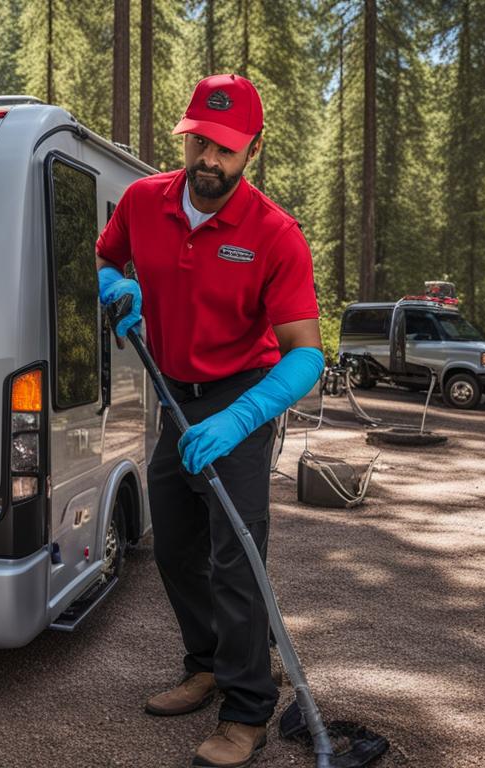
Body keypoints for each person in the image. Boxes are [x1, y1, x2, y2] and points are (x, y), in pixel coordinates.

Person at [95, 74, 324, 768]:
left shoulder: (275, 234)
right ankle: (207, 664)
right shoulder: (142, 201)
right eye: (200, 141)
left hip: (245, 396)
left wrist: (240, 420)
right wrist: (116, 285)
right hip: (174, 394)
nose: (209, 160)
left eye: (226, 148)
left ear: (252, 148)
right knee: (173, 547)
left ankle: (249, 708)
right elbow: (105, 257)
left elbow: (306, 356)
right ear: (186, 135)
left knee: (237, 556)